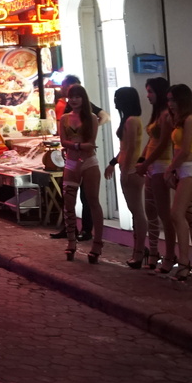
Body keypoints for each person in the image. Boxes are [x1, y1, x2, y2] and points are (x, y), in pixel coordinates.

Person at [59, 84, 105, 264]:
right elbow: (63, 141)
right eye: (72, 97)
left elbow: (91, 143)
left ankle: (97, 243)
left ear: (84, 98)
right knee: (68, 203)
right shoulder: (64, 119)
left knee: (93, 201)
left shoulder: (92, 118)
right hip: (71, 162)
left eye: (78, 96)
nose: (75, 100)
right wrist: (78, 145)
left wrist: (74, 145)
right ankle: (71, 241)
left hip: (88, 162)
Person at [167, 84, 192, 282]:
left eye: (173, 100)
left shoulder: (191, 119)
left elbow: (184, 151)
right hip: (184, 169)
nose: (170, 104)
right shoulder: (181, 120)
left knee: (177, 214)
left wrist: (170, 168)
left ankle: (184, 262)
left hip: (190, 168)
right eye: (169, 100)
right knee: (190, 214)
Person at [107, 88, 149, 268]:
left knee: (137, 212)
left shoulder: (131, 121)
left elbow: (131, 148)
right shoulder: (130, 120)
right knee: (135, 212)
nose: (115, 101)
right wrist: (114, 162)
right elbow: (125, 148)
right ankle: (138, 249)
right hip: (128, 167)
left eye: (117, 98)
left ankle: (140, 250)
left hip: (131, 170)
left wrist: (124, 170)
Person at [140, 77, 176, 272]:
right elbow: (151, 142)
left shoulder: (165, 115)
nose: (148, 96)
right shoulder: (157, 115)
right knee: (151, 211)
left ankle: (170, 254)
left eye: (151, 92)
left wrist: (146, 161)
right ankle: (154, 252)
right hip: (152, 165)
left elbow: (162, 143)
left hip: (160, 165)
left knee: (164, 213)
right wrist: (142, 160)